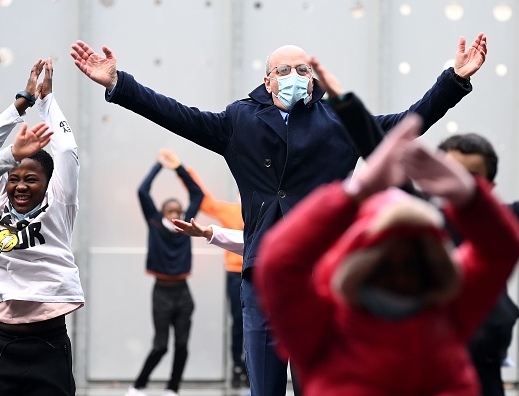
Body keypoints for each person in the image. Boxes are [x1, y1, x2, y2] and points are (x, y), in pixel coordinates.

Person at [71, 33, 487, 396]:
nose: (294, 75)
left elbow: (404, 126)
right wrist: (118, 83)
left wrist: (454, 80)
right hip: (264, 276)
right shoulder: (239, 119)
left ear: (313, 78)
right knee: (264, 385)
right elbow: (178, 115)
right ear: (267, 80)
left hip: (328, 273)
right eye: (284, 69)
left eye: (302, 68)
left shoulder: (337, 122)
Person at [254, 113, 519, 396]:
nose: (399, 277)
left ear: (431, 266)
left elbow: (500, 250)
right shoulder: (325, 328)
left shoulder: (447, 312)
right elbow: (277, 263)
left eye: (411, 264)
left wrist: (471, 198)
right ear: (359, 264)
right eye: (382, 263)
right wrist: (352, 192)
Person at [0, 58, 83, 396]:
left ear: (48, 184)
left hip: (49, 343)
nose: (20, 186)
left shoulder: (59, 206)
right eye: (14, 179)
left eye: (31, 180)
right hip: (4, 343)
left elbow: (67, 150)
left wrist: (47, 102)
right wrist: (23, 101)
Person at [438, 133, 519, 396]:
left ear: (491, 185)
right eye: (451, 172)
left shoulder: (504, 222)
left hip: (485, 371)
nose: (459, 183)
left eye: (471, 176)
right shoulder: (418, 217)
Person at [126, 149, 203, 396]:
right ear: (161, 213)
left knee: (181, 345)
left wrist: (179, 168)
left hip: (183, 292)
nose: (173, 215)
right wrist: (160, 165)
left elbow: (197, 193)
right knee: (160, 345)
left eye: (177, 212)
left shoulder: (186, 226)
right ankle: (138, 386)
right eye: (169, 211)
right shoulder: (155, 222)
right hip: (161, 292)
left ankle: (173, 388)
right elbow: (142, 191)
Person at [183, 167, 248, 388]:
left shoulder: (268, 208)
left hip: (257, 270)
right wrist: (185, 171)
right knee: (238, 321)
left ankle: (251, 365)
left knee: (260, 322)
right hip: (235, 273)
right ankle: (237, 366)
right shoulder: (230, 210)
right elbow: (206, 202)